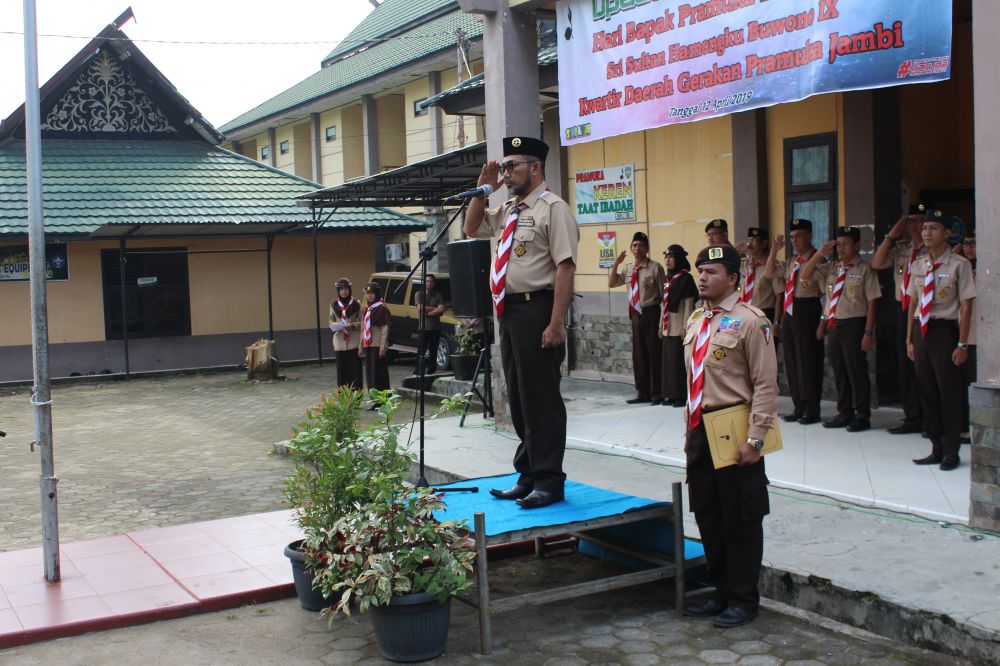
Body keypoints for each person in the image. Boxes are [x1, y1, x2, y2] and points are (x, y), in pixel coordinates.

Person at [464, 135, 579, 509]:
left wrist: (556, 322)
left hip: (539, 309)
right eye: (504, 166)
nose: (507, 172)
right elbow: (471, 227)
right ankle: (528, 474)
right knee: (518, 395)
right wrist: (484, 189)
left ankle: (549, 480)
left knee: (541, 398)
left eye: (513, 166)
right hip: (509, 312)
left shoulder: (552, 208)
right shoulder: (510, 209)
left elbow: (565, 267)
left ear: (536, 167)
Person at [682, 244, 777, 628]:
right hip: (700, 429)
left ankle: (743, 598)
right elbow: (692, 381)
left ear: (733, 278)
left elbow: (766, 385)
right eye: (700, 270)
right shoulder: (696, 320)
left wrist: (755, 439)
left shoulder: (753, 321)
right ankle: (720, 590)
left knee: (741, 517)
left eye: (712, 271)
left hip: (735, 427)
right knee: (708, 513)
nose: (702, 277)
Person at [906, 209, 976, 471]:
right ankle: (935, 446)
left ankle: (951, 450)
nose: (927, 233)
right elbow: (913, 302)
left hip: (945, 332)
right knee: (927, 391)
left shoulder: (959, 264)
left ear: (947, 233)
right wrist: (908, 340)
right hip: (921, 331)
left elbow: (966, 306)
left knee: (949, 392)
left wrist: (962, 344)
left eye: (934, 228)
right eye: (925, 228)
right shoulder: (919, 264)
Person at [800, 227, 881, 432]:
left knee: (856, 371)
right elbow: (806, 274)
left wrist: (868, 332)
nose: (841, 248)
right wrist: (820, 253)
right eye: (839, 244)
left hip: (855, 324)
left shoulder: (864, 269)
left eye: (846, 243)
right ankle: (845, 412)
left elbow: (872, 302)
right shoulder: (832, 268)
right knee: (839, 371)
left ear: (857, 246)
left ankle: (862, 415)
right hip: (834, 325)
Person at [871, 204, 927, 434]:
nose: (916, 226)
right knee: (905, 365)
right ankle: (912, 416)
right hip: (902, 309)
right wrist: (893, 233)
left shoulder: (933, 250)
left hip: (924, 310)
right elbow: (876, 262)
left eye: (920, 221)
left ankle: (929, 418)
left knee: (924, 366)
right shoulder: (902, 249)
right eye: (911, 221)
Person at [764, 219, 824, 424]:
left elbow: (825, 291)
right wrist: (774, 250)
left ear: (810, 237)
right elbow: (769, 272)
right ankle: (799, 406)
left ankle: (812, 408)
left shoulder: (819, 260)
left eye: (799, 235)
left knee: (808, 361)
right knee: (792, 361)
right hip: (790, 311)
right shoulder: (791, 261)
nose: (794, 240)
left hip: (808, 309)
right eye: (792, 237)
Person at [610, 232, 666, 405]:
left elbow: (664, 295)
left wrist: (662, 321)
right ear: (631, 248)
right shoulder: (627, 268)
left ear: (647, 248)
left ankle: (657, 393)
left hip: (651, 313)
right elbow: (612, 283)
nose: (637, 248)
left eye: (641, 245)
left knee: (654, 354)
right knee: (639, 355)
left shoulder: (655, 268)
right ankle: (642, 392)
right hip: (635, 315)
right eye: (634, 245)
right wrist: (615, 264)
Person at [659, 244, 698, 407]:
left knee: (678, 363)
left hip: (679, 327)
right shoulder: (669, 279)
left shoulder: (685, 279)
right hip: (668, 327)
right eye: (666, 257)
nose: (667, 260)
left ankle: (681, 395)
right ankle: (671, 394)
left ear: (679, 259)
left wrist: (686, 327)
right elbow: (664, 304)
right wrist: (661, 325)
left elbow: (689, 304)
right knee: (668, 363)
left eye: (671, 257)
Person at [739, 227, 782, 323]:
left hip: (764, 313)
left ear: (764, 243)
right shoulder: (744, 264)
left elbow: (780, 296)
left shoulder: (772, 266)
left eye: (754, 240)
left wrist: (777, 322)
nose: (749, 244)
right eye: (748, 240)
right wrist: (735, 251)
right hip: (744, 313)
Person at [359, 281, 391, 405]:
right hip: (368, 345)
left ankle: (384, 400)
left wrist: (382, 347)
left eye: (372, 293)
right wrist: (360, 347)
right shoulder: (367, 309)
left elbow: (385, 329)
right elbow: (363, 328)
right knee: (370, 374)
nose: (370, 296)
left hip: (377, 345)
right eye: (368, 293)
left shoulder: (382, 309)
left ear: (377, 294)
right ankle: (375, 400)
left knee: (379, 374)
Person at [328, 277, 362, 390]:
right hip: (339, 342)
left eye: (346, 288)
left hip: (354, 342)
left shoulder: (356, 304)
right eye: (341, 289)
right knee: (342, 372)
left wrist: (352, 325)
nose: (344, 291)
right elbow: (330, 321)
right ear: (338, 291)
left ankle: (356, 397)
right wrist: (336, 325)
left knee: (355, 371)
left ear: (349, 289)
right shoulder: (333, 304)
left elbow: (362, 322)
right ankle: (343, 398)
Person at [414, 273, 446, 375]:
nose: (429, 283)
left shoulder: (438, 295)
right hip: (423, 327)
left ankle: (431, 371)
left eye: (431, 281)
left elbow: (442, 309)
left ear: (434, 283)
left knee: (433, 351)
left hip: (435, 327)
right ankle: (418, 371)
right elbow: (420, 307)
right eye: (427, 281)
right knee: (421, 351)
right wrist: (435, 309)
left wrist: (428, 312)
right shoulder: (419, 294)